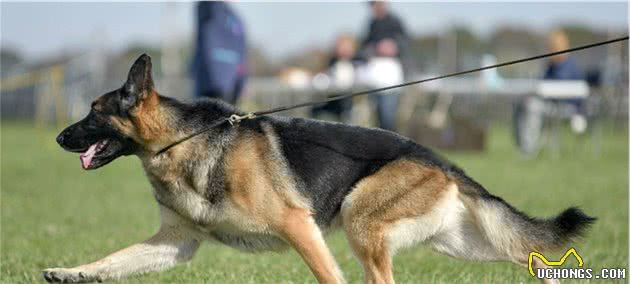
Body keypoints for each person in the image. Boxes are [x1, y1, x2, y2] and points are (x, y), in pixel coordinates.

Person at [359, 1, 409, 131]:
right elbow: (364, 46)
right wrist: (373, 48)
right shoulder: (372, 24)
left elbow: (406, 43)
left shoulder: (395, 21)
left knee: (388, 114)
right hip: (375, 71)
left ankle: (391, 143)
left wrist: (393, 46)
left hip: (391, 71)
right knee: (377, 113)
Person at [191, 1, 247, 105]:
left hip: (224, 88)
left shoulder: (236, 20)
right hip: (212, 87)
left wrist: (241, 85)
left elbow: (242, 58)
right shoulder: (210, 9)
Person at [311, 34, 360, 122]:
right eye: (341, 47)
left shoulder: (358, 61)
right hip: (331, 100)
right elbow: (321, 76)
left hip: (348, 103)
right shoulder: (331, 61)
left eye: (346, 47)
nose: (343, 50)